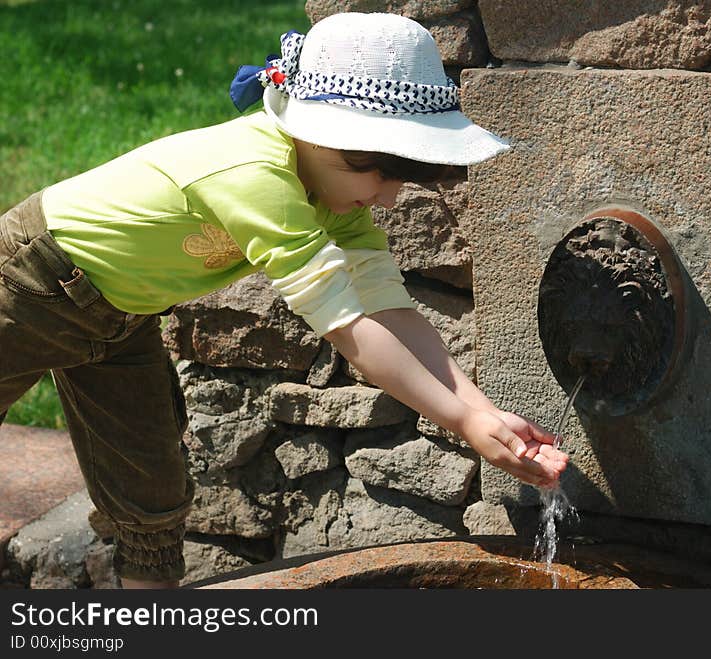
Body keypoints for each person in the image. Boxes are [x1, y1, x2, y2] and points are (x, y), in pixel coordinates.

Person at [0, 12, 569, 589]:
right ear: (322, 137)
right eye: (380, 173)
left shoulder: (328, 190)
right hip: (32, 281)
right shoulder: (258, 178)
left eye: (402, 177)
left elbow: (390, 308)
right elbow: (349, 329)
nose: (390, 198)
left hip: (120, 316)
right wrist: (461, 422)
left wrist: (484, 412)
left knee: (152, 497)